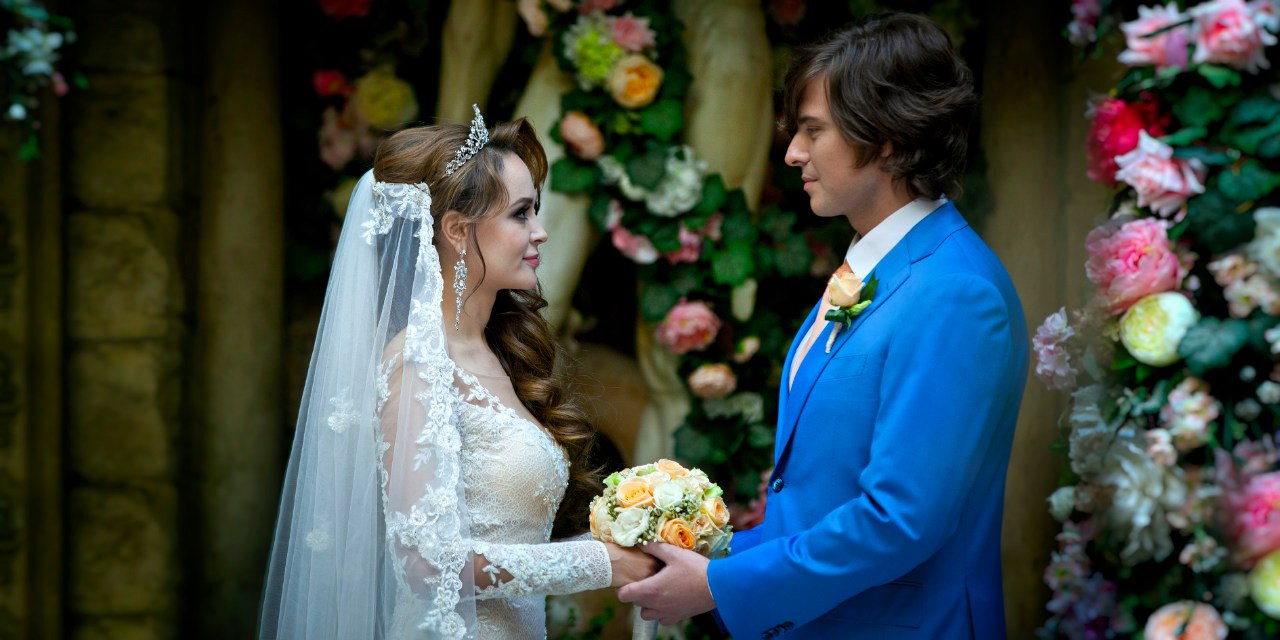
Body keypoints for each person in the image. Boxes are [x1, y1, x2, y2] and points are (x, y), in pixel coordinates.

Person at [618, 13, 1029, 639]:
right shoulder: (875, 266)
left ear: (885, 136)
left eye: (813, 131)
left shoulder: (955, 292)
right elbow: (814, 499)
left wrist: (721, 586)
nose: (792, 153)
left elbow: (900, 519)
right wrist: (701, 559)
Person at [259, 106, 659, 639]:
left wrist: (626, 543)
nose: (540, 233)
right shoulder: (418, 363)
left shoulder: (500, 354)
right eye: (521, 214)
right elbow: (426, 562)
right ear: (457, 230)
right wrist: (599, 563)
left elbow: (510, 542)